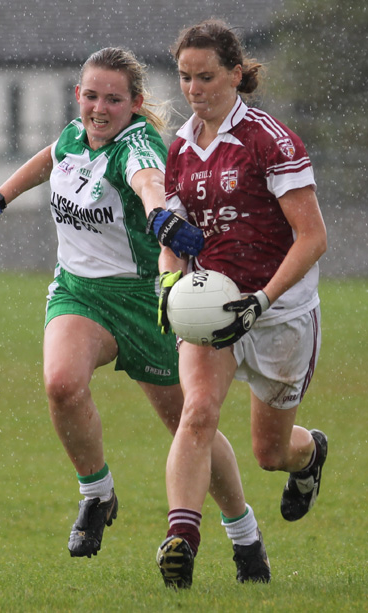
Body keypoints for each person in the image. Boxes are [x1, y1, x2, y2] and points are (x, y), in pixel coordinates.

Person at [0, 47, 261, 578]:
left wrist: (160, 219)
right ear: (78, 96)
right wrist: (0, 194)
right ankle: (97, 492)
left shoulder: (136, 145)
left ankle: (245, 536)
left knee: (190, 425)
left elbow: (148, 183)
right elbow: (52, 156)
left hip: (144, 301)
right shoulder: (74, 132)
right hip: (79, 292)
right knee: (62, 384)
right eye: (91, 95)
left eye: (113, 99)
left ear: (135, 104)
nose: (99, 108)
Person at [151, 19, 328, 589]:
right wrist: (170, 285)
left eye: (205, 77)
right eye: (184, 77)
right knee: (196, 411)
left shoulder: (269, 140)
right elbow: (172, 238)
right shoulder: (179, 149)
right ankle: (182, 540)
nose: (193, 89)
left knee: (270, 452)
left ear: (235, 73)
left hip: (279, 313)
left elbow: (312, 237)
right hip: (212, 307)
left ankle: (310, 456)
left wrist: (262, 298)